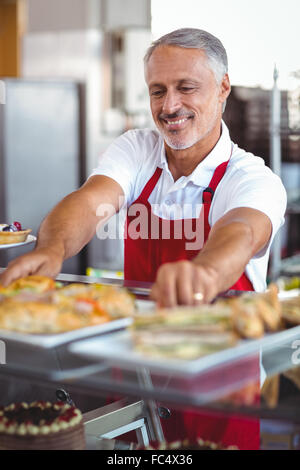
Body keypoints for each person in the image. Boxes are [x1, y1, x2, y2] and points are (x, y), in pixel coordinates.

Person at [0, 28, 287, 448]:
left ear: (223, 88)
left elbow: (241, 231)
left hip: (220, 385)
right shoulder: (137, 151)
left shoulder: (252, 178)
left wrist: (204, 273)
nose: (170, 106)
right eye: (158, 91)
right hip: (138, 369)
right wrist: (52, 248)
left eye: (186, 88)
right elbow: (90, 200)